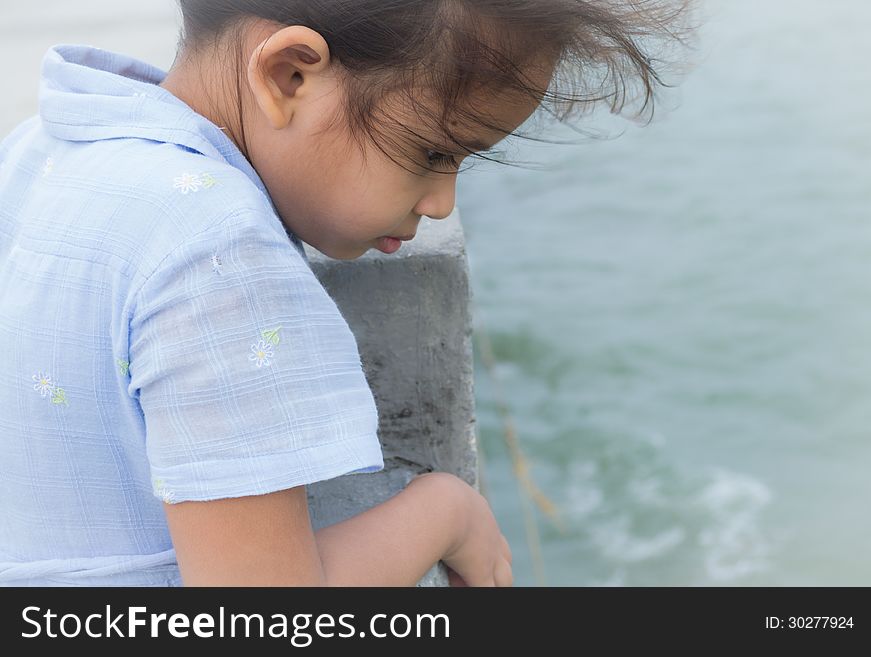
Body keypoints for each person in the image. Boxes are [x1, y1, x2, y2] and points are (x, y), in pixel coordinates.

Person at [0, 0, 690, 586]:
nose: (443, 203)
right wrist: (447, 513)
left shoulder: (40, 149)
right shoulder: (222, 253)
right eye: (432, 151)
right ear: (289, 75)